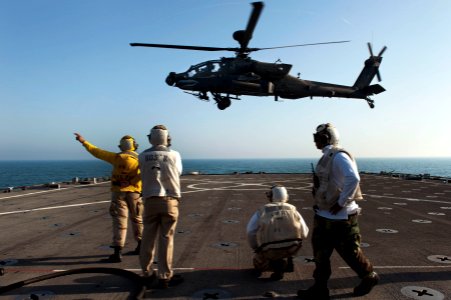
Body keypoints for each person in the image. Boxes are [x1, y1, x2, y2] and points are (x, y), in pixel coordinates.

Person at [297, 123, 379, 299]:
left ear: (326, 138)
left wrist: (342, 202)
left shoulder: (339, 156)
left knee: (351, 252)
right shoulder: (327, 156)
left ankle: (369, 277)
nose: (315, 142)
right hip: (323, 214)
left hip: (341, 218)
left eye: (317, 138)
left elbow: (353, 178)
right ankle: (320, 288)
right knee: (320, 255)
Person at [74, 133, 143, 263]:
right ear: (134, 146)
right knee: (137, 219)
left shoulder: (115, 157)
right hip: (135, 192)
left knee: (119, 222)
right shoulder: (141, 158)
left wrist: (83, 141)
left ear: (121, 146)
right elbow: (147, 173)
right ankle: (141, 245)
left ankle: (118, 252)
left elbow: (96, 151)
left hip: (118, 193)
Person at [138, 125, 183, 289]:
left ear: (151, 138)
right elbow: (178, 172)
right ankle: (164, 276)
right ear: (167, 138)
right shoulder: (174, 154)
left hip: (149, 199)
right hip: (169, 200)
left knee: (147, 239)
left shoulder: (142, 156)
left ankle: (146, 273)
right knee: (166, 238)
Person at [246, 185, 309, 281]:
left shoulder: (263, 210)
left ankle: (277, 266)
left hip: (270, 249)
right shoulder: (293, 209)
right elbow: (305, 232)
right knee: (286, 245)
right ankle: (287, 260)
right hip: (292, 247)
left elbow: (250, 231)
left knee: (258, 264)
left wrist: (256, 248)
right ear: (286, 196)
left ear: (271, 196)